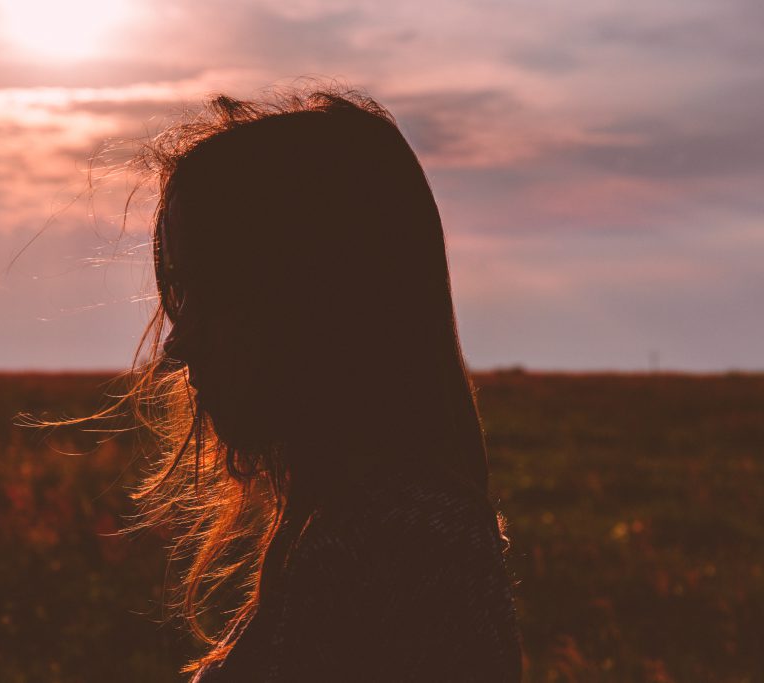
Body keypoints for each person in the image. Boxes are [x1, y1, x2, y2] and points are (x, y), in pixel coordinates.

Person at [105, 87, 523, 681]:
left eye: (216, 292)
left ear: (318, 300)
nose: (179, 346)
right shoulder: (373, 527)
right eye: (178, 292)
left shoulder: (395, 550)